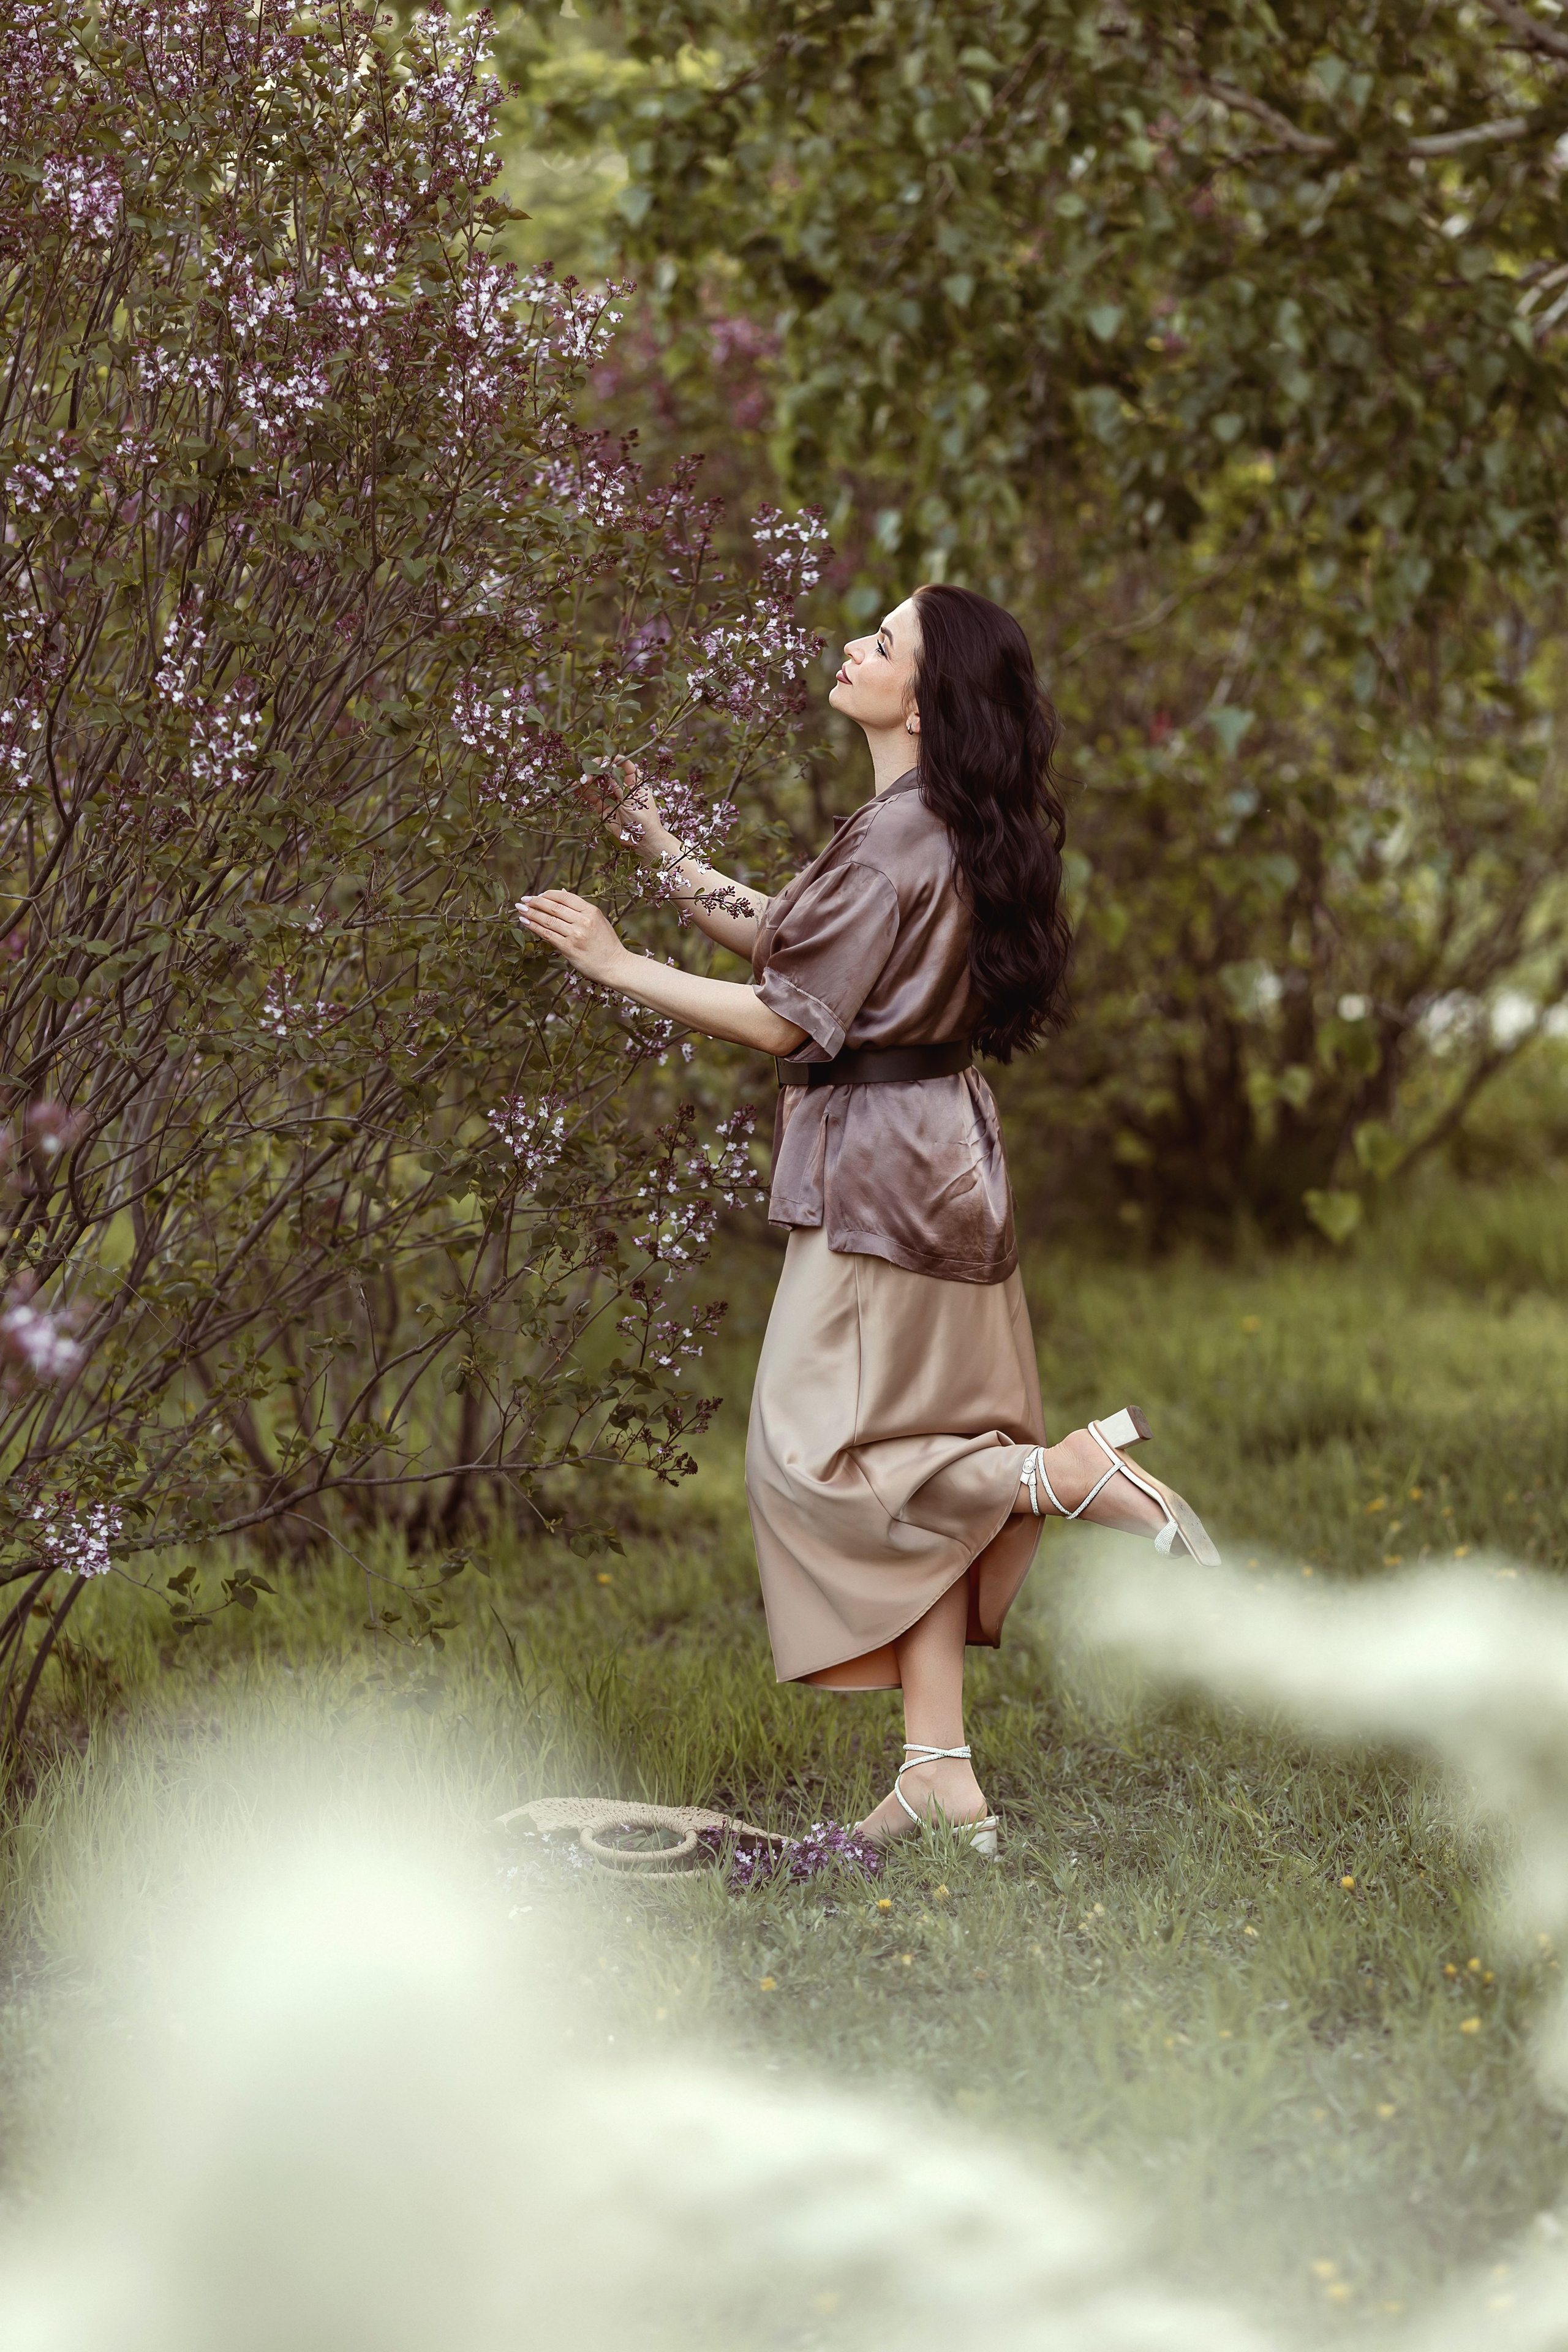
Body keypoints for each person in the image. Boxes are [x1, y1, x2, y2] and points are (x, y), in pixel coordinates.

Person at [518, 583, 1217, 1854]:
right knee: (910, 1451)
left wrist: (617, 964)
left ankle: (1059, 1475)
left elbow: (785, 1016)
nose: (855, 645)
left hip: (881, 1189)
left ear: (924, 699)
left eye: (882, 642)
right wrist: (655, 842)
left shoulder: (900, 839)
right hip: (940, 1161)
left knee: (812, 1461)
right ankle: (937, 1773)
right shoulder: (928, 826)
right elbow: (793, 940)